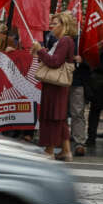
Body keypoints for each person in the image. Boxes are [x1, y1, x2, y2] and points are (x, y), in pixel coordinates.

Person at [32, 12, 77, 161]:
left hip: (55, 85)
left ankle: (49, 150)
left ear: (64, 25)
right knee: (60, 118)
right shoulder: (63, 41)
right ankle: (66, 151)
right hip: (55, 85)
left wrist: (40, 50)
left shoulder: (65, 41)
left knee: (52, 115)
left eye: (55, 23)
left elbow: (54, 62)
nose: (52, 26)